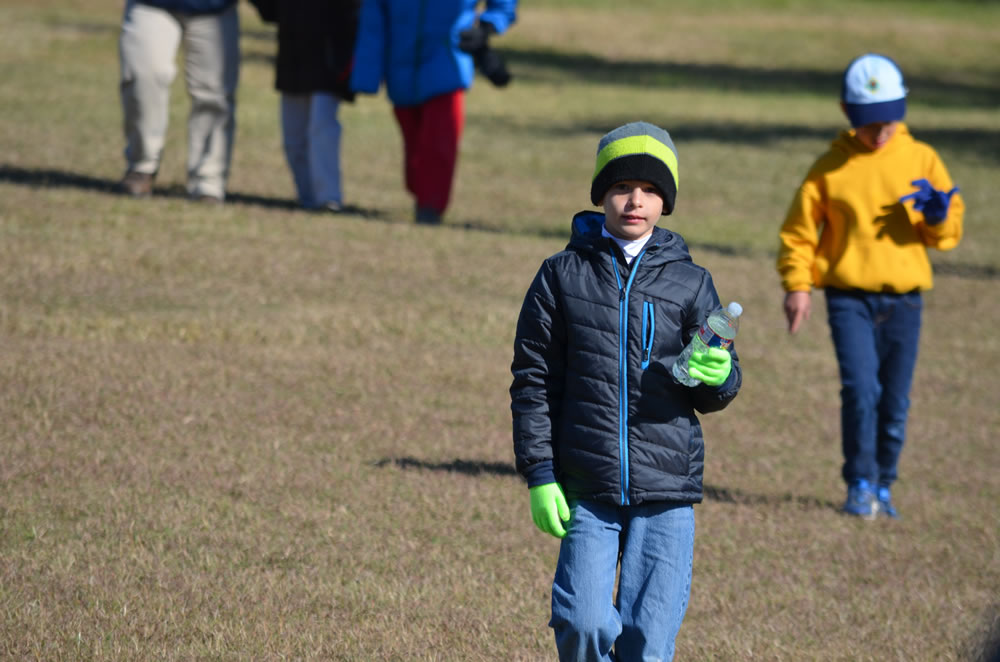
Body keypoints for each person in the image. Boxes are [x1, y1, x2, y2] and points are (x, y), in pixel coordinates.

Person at [510, 122, 743, 661]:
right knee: (583, 621)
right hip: (586, 484)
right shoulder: (560, 275)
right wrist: (540, 474)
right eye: (621, 186)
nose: (635, 200)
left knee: (648, 642)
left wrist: (719, 375)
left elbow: (716, 387)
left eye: (650, 189)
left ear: (666, 202)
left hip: (667, 488)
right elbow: (533, 379)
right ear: (600, 195)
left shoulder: (692, 282)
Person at [776, 53, 964, 519]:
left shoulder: (922, 159)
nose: (880, 131)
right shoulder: (829, 168)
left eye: (888, 121)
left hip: (905, 302)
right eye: (868, 121)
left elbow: (946, 235)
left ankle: (884, 483)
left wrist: (937, 217)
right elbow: (799, 234)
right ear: (846, 111)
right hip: (849, 300)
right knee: (861, 391)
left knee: (895, 400)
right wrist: (798, 286)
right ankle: (859, 481)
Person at [349, 0, 517, 224]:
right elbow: (373, 16)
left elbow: (503, 5)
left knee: (439, 142)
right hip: (400, 66)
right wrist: (366, 73)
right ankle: (423, 195)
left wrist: (486, 28)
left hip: (447, 63)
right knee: (414, 152)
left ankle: (430, 208)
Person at [117, 0, 240, 203]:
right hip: (151, 4)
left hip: (215, 7)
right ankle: (141, 166)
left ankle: (208, 183)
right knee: (143, 77)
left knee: (215, 95)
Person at [248, 0, 360, 212]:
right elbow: (269, 11)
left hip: (329, 54)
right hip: (293, 53)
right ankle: (307, 197)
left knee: (322, 127)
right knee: (294, 136)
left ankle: (328, 199)